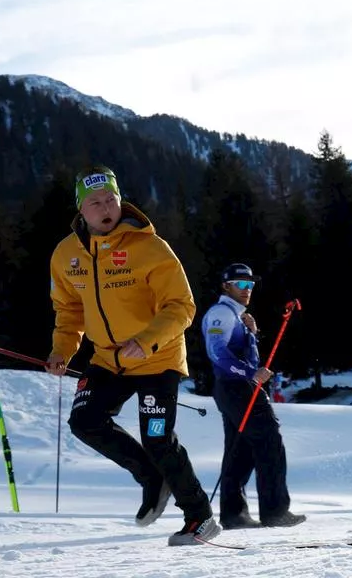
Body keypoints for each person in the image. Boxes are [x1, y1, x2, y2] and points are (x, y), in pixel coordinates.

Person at [46, 164, 221, 546]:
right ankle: (152, 476)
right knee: (85, 421)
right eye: (95, 202)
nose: (105, 207)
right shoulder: (66, 256)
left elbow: (181, 306)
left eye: (111, 199)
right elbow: (69, 311)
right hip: (108, 359)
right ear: (81, 209)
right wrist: (62, 350)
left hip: (158, 359)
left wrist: (147, 340)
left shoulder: (149, 247)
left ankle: (200, 518)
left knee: (157, 437)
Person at [201, 263, 305, 529]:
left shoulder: (239, 317)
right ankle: (275, 511)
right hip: (236, 387)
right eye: (241, 284)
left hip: (234, 387)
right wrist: (250, 373)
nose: (247, 290)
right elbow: (218, 353)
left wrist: (252, 333)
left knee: (241, 447)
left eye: (250, 285)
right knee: (269, 439)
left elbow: (243, 354)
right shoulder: (221, 314)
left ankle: (234, 514)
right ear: (226, 286)